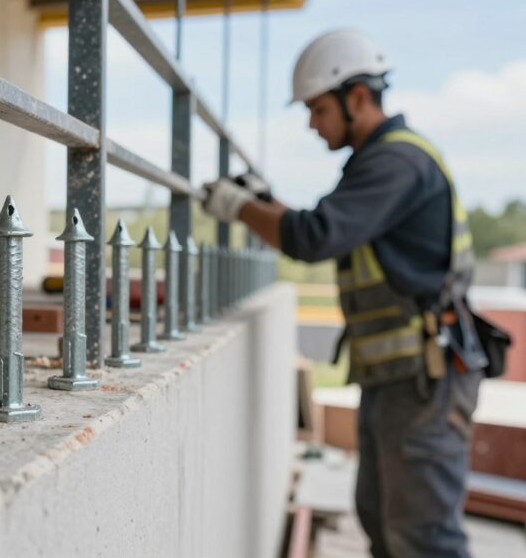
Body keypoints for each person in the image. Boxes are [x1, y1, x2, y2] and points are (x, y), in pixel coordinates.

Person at [201, 29, 484, 558]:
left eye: (317, 109)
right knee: (384, 524)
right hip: (401, 380)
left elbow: (313, 236)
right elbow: (320, 223)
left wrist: (238, 207)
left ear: (357, 96)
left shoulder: (397, 162)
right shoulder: (377, 163)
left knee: (423, 540)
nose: (311, 123)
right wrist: (264, 201)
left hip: (424, 382)